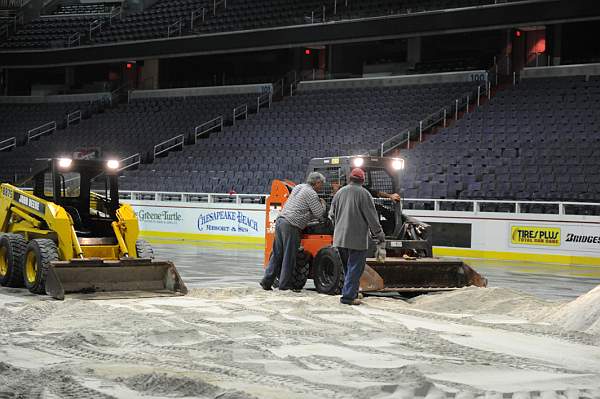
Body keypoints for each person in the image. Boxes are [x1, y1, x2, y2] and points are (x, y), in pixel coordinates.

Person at [260, 172, 326, 291]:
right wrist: (323, 204)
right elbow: (319, 214)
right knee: (289, 256)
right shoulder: (311, 193)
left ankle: (266, 281)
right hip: (291, 225)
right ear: (317, 182)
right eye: (322, 184)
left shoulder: (298, 187)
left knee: (277, 254)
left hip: (281, 221)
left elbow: (301, 207)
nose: (322, 186)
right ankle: (285, 285)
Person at [329, 168, 386, 305]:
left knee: (348, 268)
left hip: (340, 239)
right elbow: (372, 218)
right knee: (355, 268)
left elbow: (331, 215)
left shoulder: (339, 193)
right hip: (357, 240)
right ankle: (348, 297)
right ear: (362, 180)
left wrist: (339, 227)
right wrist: (380, 236)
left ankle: (352, 293)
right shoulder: (364, 194)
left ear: (350, 178)